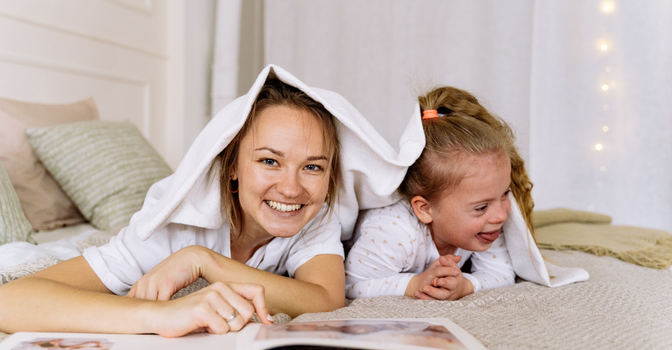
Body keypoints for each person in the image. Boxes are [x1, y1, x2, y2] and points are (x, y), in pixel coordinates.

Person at [0, 66, 420, 337]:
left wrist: (205, 263)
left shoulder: (314, 211)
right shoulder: (171, 230)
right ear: (232, 165)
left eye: (312, 167)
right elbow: (9, 301)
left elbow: (326, 297)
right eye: (269, 161)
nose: (292, 189)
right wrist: (160, 317)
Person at [344, 86, 535, 300]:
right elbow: (350, 284)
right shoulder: (394, 231)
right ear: (425, 209)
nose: (501, 215)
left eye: (505, 194)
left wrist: (467, 284)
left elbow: (500, 272)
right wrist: (413, 283)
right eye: (481, 207)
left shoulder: (488, 224)